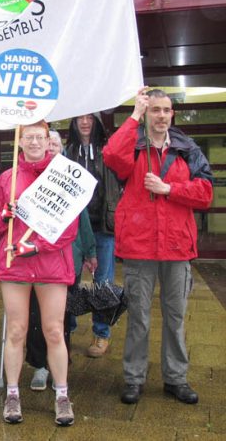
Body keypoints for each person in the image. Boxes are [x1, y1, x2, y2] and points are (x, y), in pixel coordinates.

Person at [103, 88, 213, 405]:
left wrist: (169, 188)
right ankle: (134, 378)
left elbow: (206, 193)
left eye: (165, 110)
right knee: (138, 317)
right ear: (147, 113)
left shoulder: (187, 148)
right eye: (155, 110)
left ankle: (176, 378)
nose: (161, 115)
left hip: (177, 248)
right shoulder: (134, 147)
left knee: (175, 317)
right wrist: (134, 114)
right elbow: (111, 155)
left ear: (172, 114)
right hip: (140, 248)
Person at [0, 121, 77, 426]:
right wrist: (4, 215)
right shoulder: (7, 179)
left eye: (40, 137)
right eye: (29, 137)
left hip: (50, 264)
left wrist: (37, 247)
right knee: (16, 330)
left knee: (54, 331)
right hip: (15, 263)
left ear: (48, 140)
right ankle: (13, 394)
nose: (35, 142)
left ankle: (62, 394)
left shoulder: (61, 177)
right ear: (20, 142)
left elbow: (69, 229)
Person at [26, 130, 97, 391]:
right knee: (35, 315)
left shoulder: (71, 179)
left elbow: (84, 221)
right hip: (33, 259)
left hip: (68, 259)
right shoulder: (33, 177)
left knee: (61, 318)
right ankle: (39, 365)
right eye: (49, 144)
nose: (52, 148)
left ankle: (59, 366)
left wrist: (90, 252)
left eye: (56, 143)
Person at [66, 113, 122, 358]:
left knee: (103, 282)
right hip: (75, 227)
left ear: (98, 122)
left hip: (103, 225)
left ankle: (101, 333)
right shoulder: (68, 152)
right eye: (80, 118)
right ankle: (68, 326)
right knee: (70, 278)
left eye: (90, 118)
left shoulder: (108, 150)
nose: (85, 122)